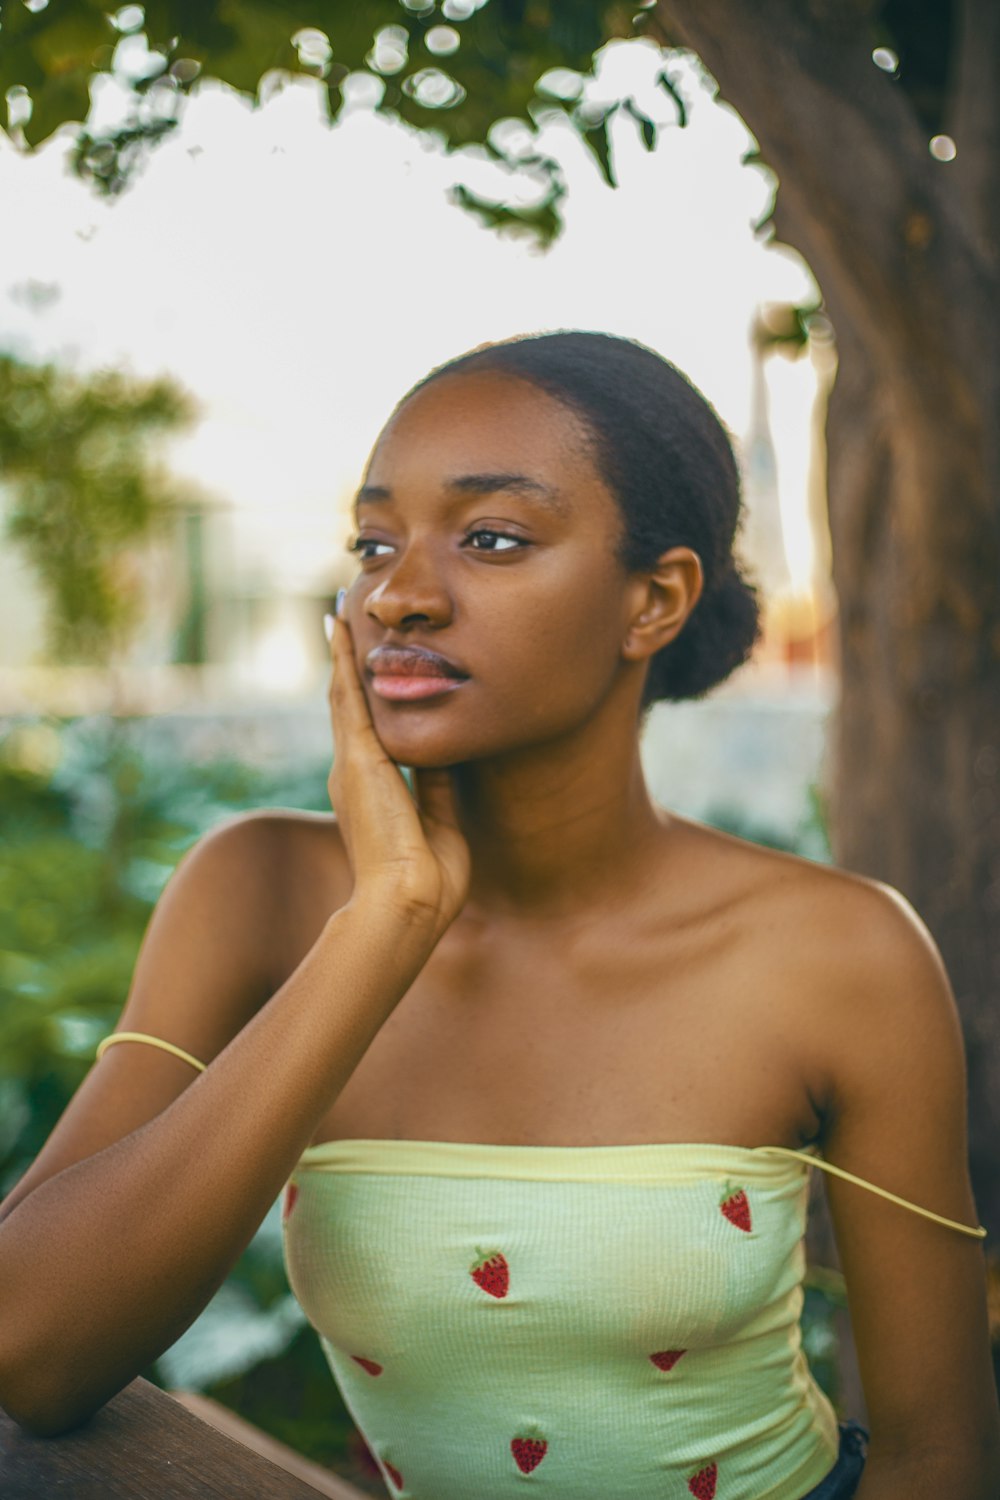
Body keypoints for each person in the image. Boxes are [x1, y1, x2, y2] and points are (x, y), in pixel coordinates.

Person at [0, 330, 997, 1500]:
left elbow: (938, 1457)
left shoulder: (840, 952)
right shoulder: (258, 892)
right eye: (373, 544)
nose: (398, 596)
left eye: (490, 539)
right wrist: (383, 925)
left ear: (655, 598)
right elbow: (31, 1350)